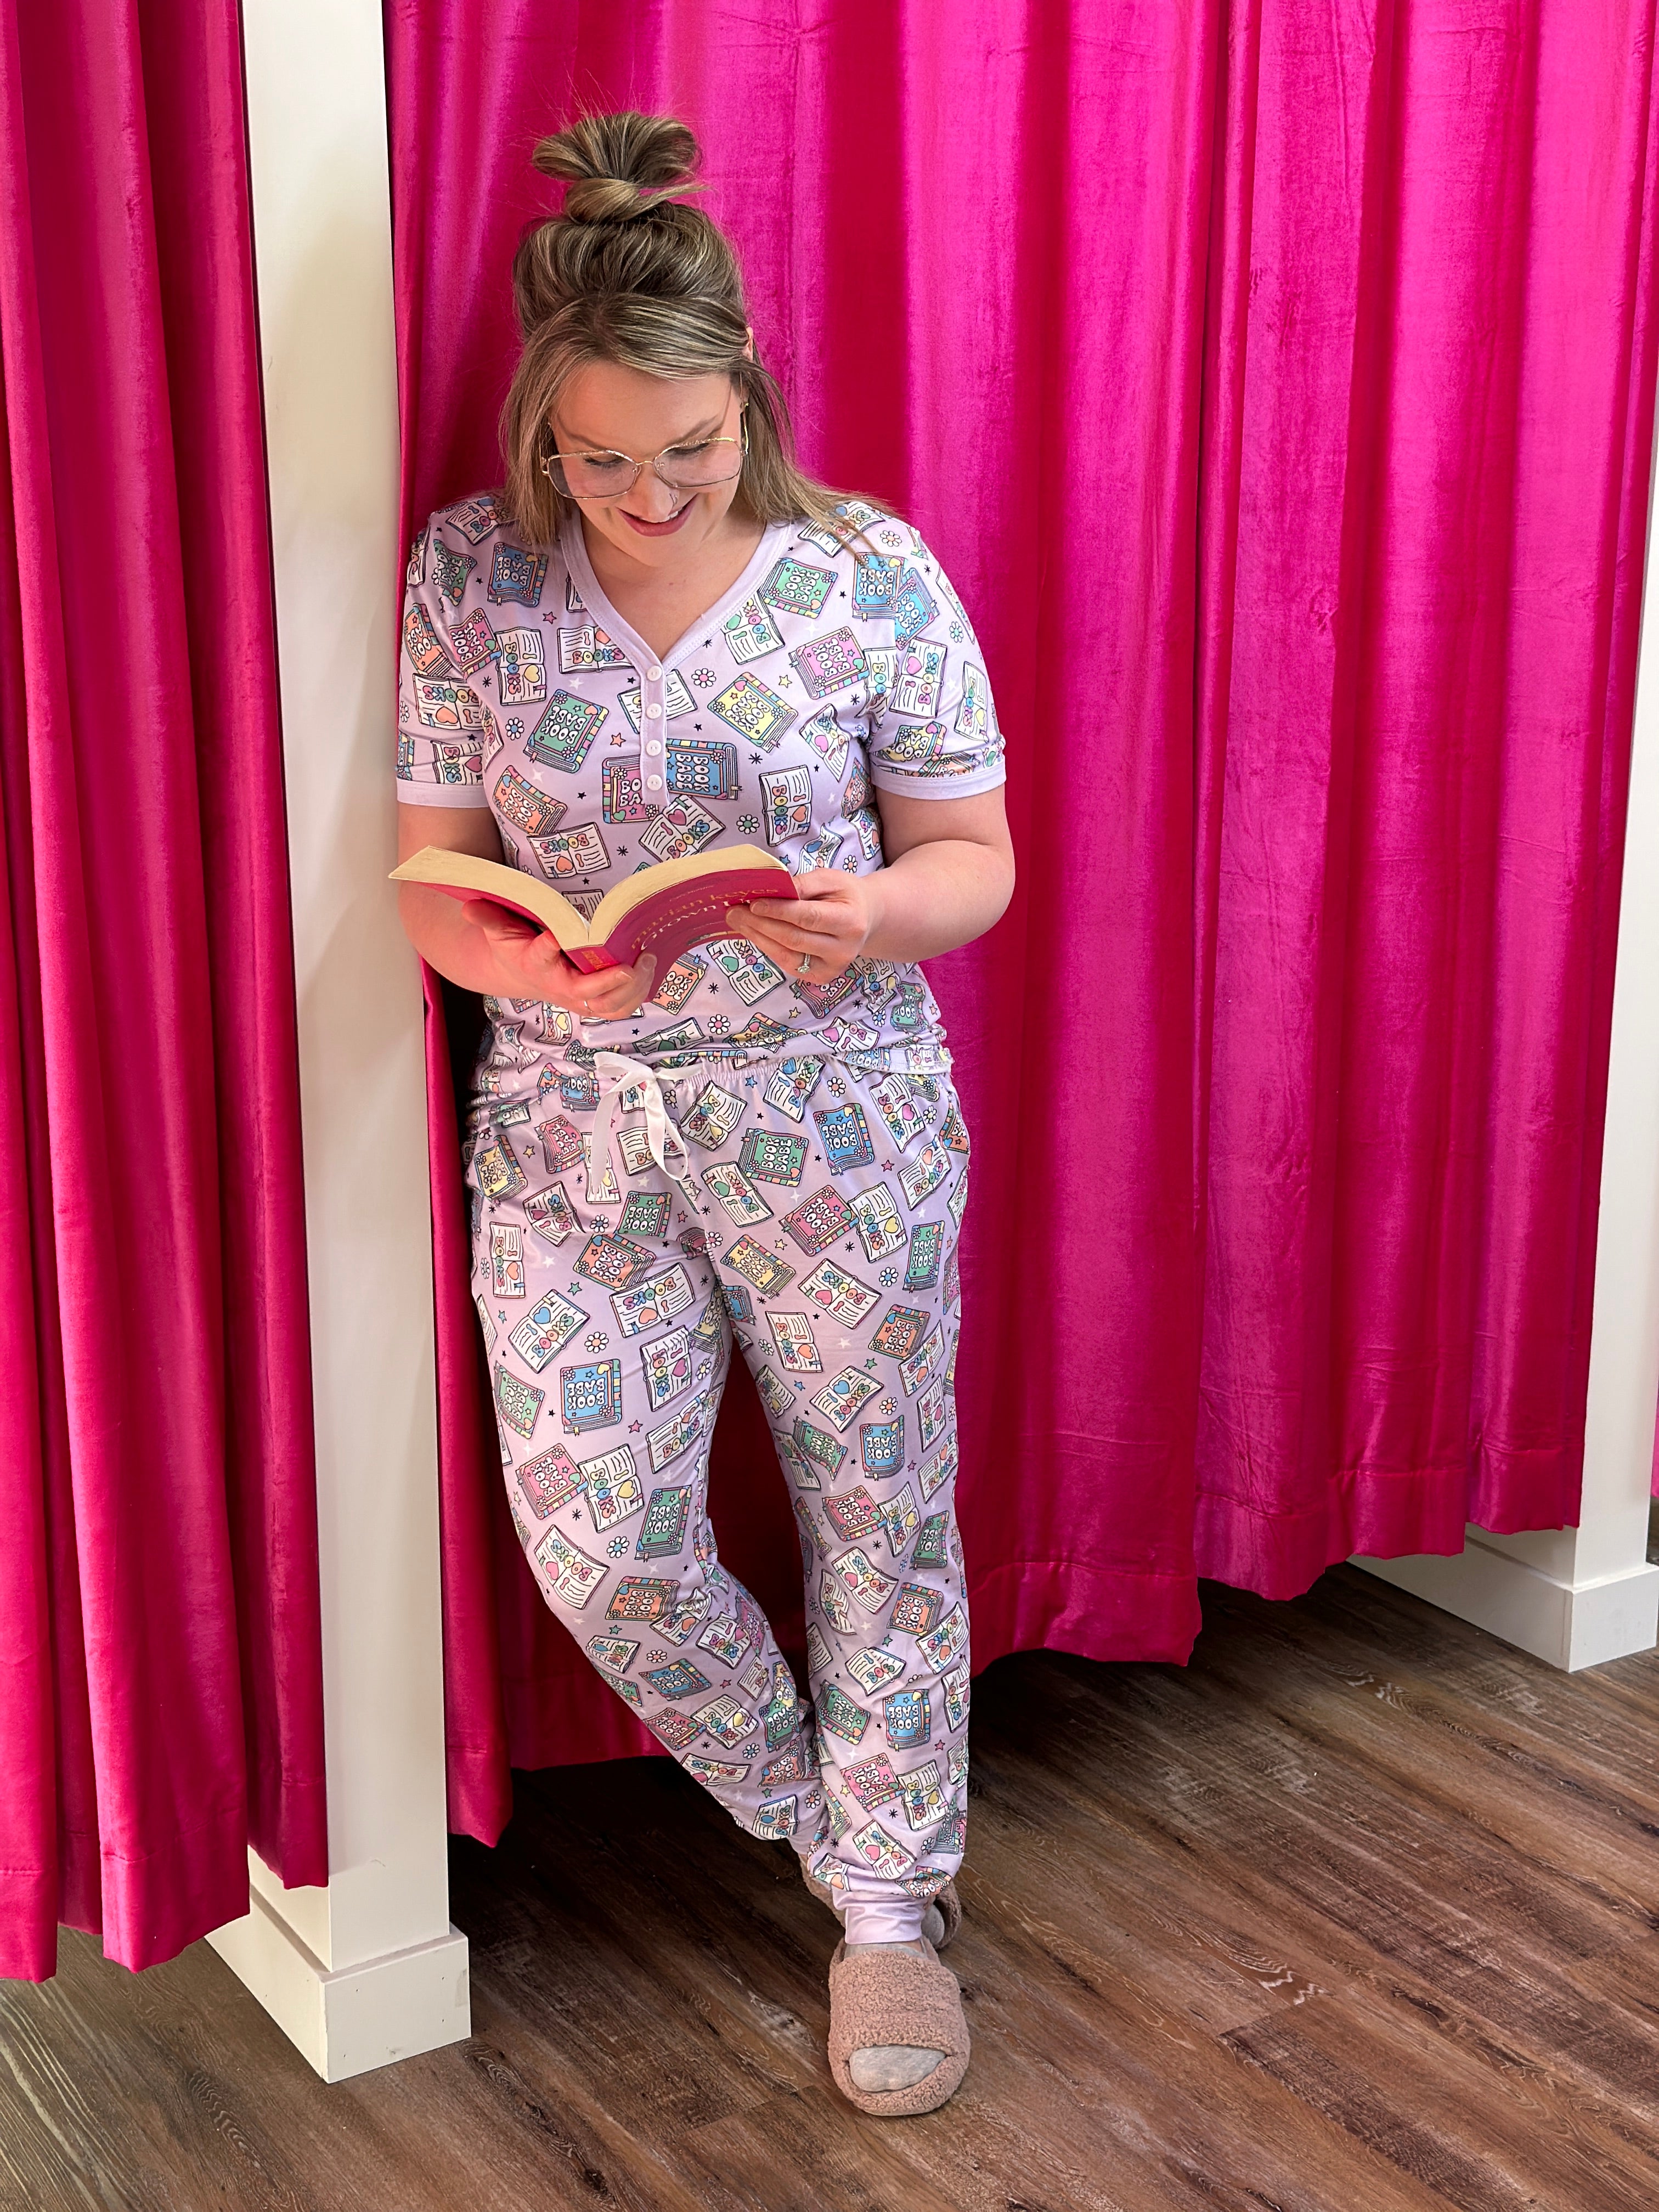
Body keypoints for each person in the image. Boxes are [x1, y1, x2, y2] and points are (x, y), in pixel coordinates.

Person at [394, 110, 1014, 2119]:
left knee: (879, 1519)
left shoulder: (870, 575)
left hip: (840, 1119)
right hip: (572, 1136)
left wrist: (877, 914)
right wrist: (526, 970)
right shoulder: (471, 578)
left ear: (748, 395)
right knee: (602, 1541)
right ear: (540, 430)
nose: (651, 495)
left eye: (691, 448)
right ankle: (830, 1827)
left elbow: (978, 858)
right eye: (603, 460)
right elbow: (431, 879)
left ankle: (894, 1914)